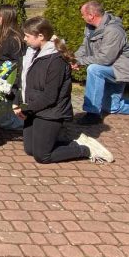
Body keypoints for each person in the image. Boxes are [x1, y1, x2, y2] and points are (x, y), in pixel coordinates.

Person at [15, 17, 114, 164]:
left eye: (27, 36)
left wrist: (26, 108)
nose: (24, 39)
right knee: (30, 150)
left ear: (40, 36)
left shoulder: (56, 61)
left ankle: (85, 149)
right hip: (35, 108)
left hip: (51, 112)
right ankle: (63, 140)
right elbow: (23, 80)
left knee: (42, 156)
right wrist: (18, 102)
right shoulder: (33, 52)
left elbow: (50, 96)